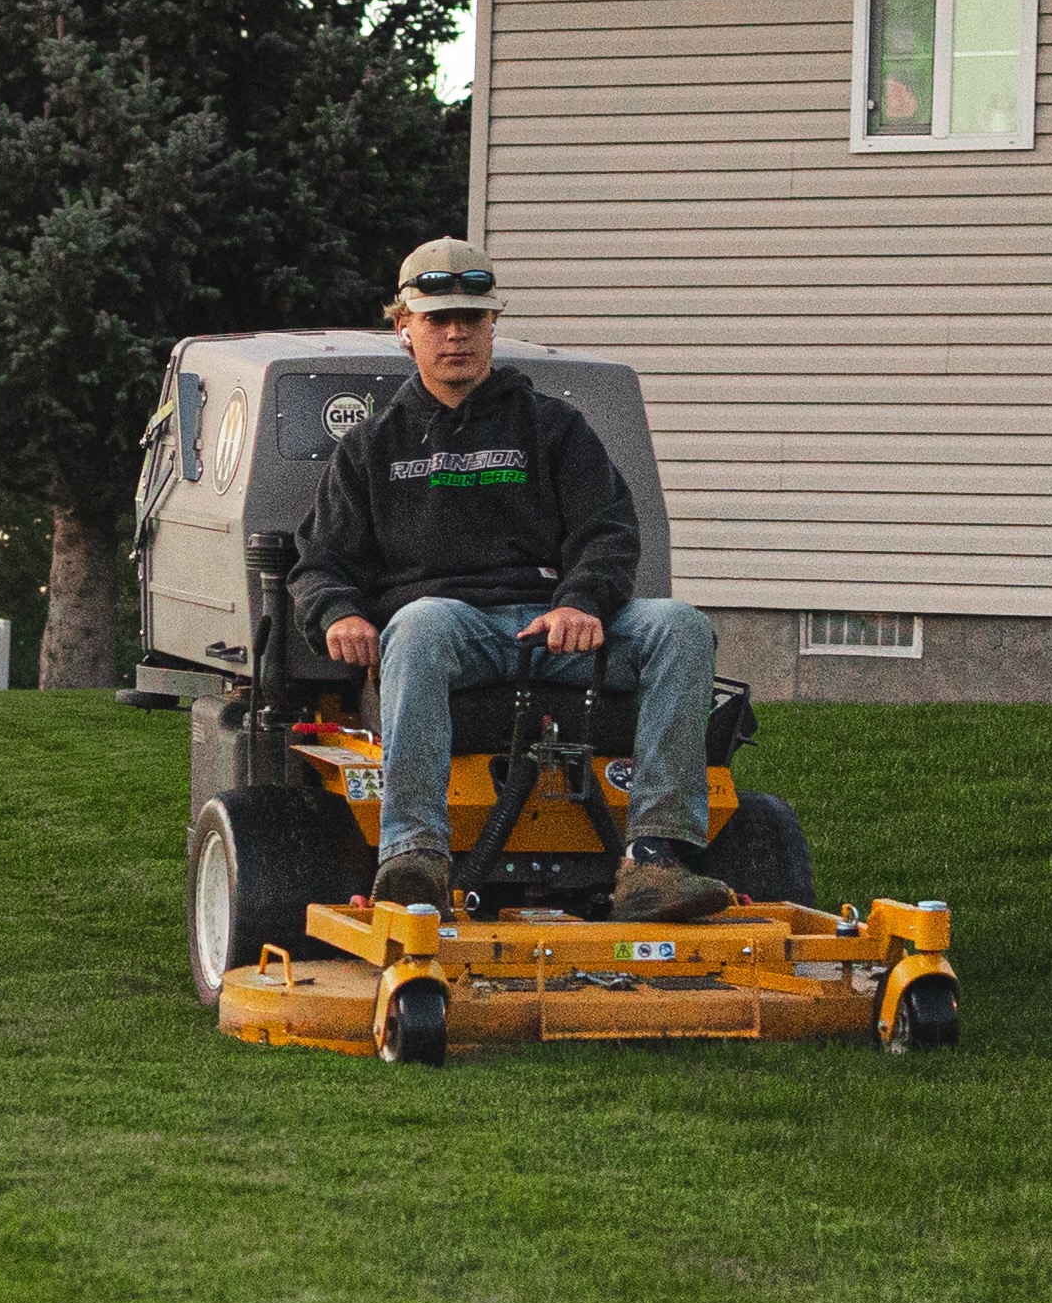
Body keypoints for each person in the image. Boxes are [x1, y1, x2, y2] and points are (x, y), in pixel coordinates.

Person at [292, 237, 732, 923]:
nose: (456, 333)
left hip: (552, 623)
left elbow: (609, 533)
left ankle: (656, 860)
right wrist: (337, 612)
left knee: (680, 625)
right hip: (449, 630)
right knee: (421, 622)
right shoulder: (372, 447)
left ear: (494, 324)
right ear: (404, 328)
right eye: (438, 319)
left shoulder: (553, 427)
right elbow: (320, 562)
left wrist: (581, 601)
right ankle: (414, 857)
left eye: (472, 317)